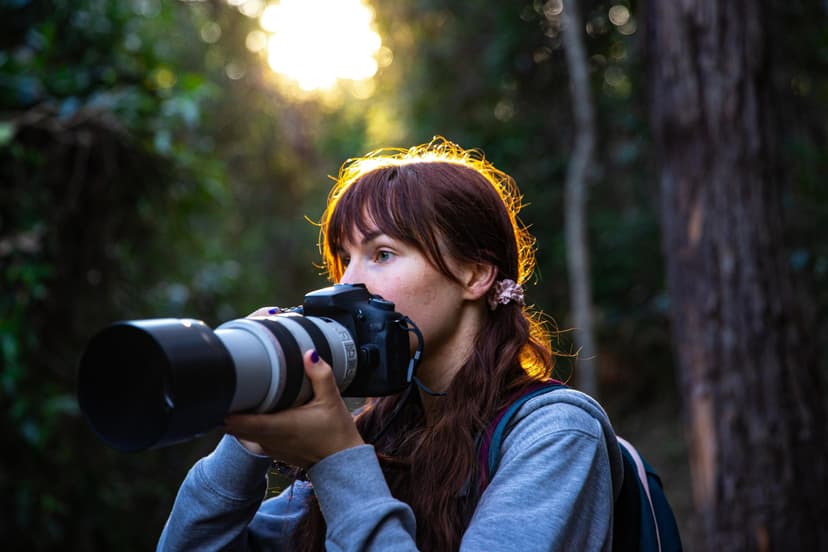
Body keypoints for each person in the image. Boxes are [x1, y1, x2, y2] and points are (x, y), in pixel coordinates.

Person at [157, 138, 624, 551]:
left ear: (475, 275)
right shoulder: (378, 432)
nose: (348, 284)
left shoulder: (556, 434)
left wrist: (338, 462)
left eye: (381, 254)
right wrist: (248, 437)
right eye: (344, 259)